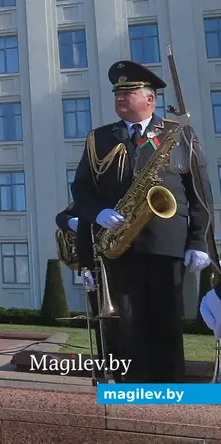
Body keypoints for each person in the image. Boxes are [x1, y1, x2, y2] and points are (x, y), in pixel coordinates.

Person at [71, 60, 213, 383]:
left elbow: (200, 194)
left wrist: (198, 241)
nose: (120, 97)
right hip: (120, 249)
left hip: (166, 247)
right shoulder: (99, 139)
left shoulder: (178, 135)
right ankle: (132, 401)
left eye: (129, 92)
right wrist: (98, 213)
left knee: (166, 327)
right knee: (127, 330)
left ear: (150, 99)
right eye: (117, 92)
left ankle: (170, 402)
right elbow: (80, 188)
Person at [56, 200, 121, 382]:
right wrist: (73, 223)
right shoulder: (89, 197)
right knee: (102, 324)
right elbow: (61, 217)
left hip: (122, 264)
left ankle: (127, 371)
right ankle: (105, 369)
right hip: (96, 268)